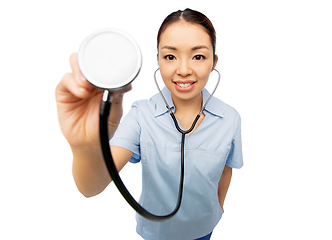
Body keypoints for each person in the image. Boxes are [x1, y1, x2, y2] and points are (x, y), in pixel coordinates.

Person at [56, 8, 243, 240]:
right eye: (170, 56)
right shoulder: (140, 115)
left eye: (198, 56)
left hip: (204, 230)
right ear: (158, 60)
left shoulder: (230, 118)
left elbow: (226, 168)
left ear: (214, 61)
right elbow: (91, 187)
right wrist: (85, 147)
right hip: (157, 234)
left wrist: (219, 208)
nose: (183, 70)